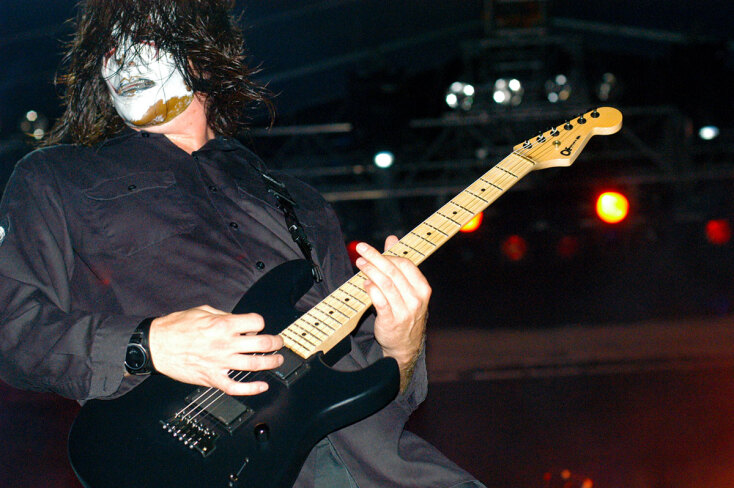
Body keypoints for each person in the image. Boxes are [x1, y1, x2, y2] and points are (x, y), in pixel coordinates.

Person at [0, 1, 484, 486]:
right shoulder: (56, 176)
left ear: (205, 53)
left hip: (380, 470)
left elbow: (376, 388)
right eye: (109, 45)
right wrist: (147, 343)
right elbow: (14, 329)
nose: (123, 56)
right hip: (202, 466)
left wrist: (402, 346)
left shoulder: (300, 202)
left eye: (145, 35)